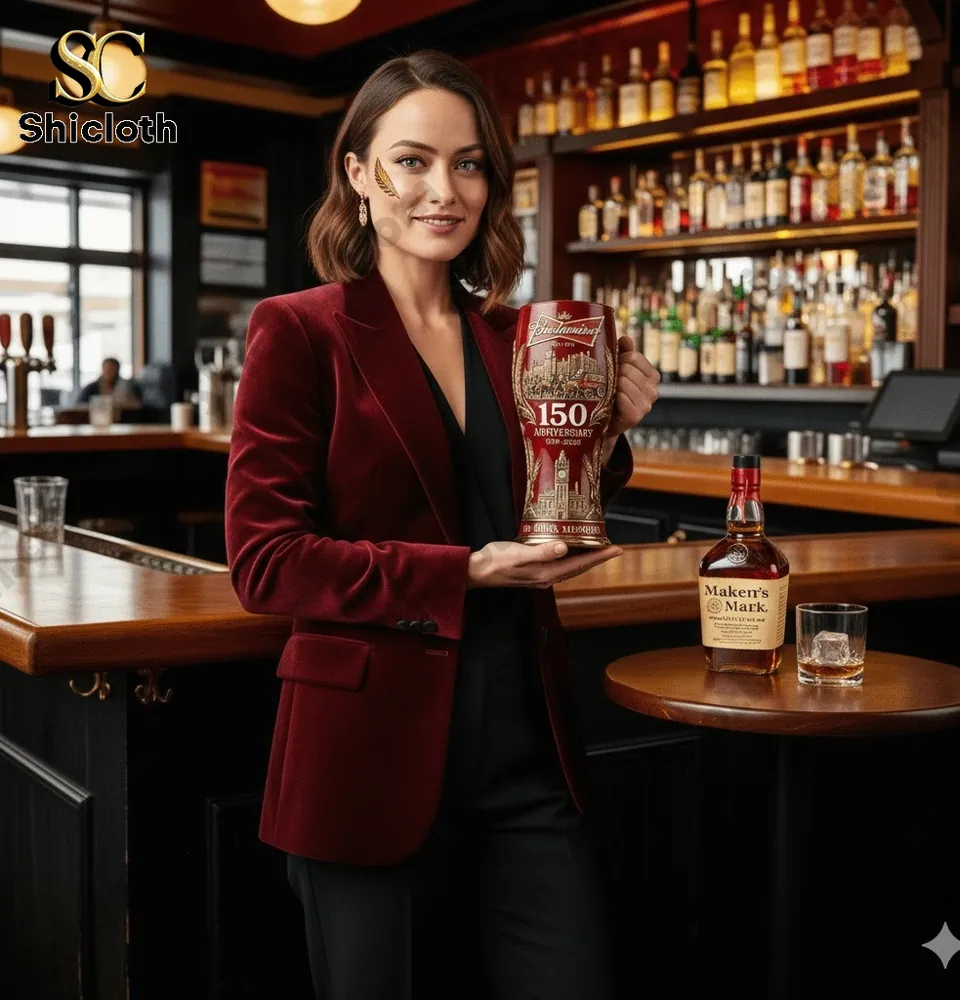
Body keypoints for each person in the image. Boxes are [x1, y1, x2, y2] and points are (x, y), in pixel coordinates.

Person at [224, 50, 660, 1000]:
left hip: (526, 750)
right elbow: (266, 562)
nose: (444, 190)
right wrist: (463, 572)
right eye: (412, 161)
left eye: (468, 164)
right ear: (358, 173)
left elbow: (537, 509)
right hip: (363, 757)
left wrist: (604, 433)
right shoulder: (299, 329)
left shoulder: (518, 338)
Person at [75, 357, 140, 406]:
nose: (109, 372)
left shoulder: (128, 386)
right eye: (107, 369)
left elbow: (138, 404)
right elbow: (79, 405)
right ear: (102, 369)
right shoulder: (91, 388)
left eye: (112, 369)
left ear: (118, 370)